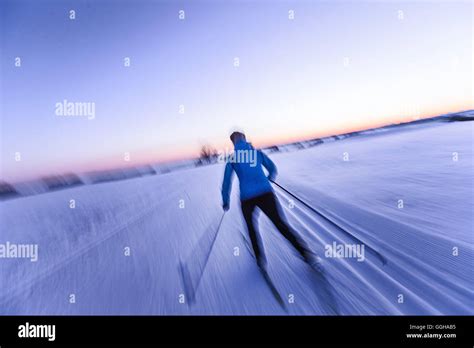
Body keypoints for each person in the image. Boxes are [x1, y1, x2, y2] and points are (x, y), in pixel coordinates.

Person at [221, 131, 320, 271]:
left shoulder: (232, 159)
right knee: (281, 224)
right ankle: (307, 254)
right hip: (265, 194)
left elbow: (226, 182)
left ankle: (260, 260)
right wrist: (269, 178)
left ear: (233, 143)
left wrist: (225, 201)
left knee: (251, 228)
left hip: (247, 199)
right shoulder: (257, 153)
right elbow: (272, 168)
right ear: (244, 139)